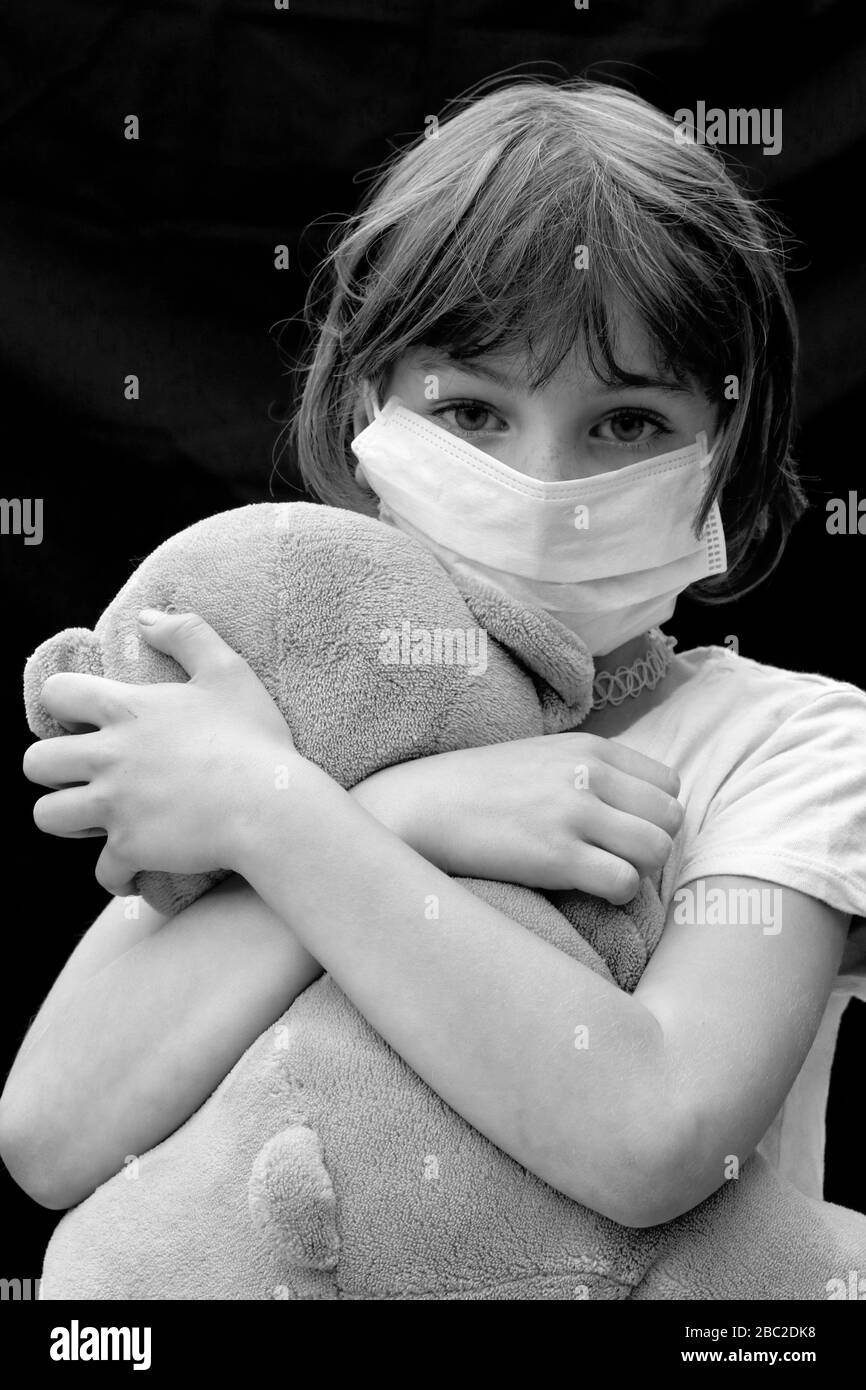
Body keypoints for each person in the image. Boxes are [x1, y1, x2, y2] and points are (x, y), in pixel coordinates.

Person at [4, 78, 866, 1240]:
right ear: (367, 421)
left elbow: (657, 1132)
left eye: (627, 424)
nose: (543, 488)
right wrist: (401, 809)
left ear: (731, 451)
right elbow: (54, 1132)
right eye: (470, 412)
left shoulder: (792, 745)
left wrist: (283, 817)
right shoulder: (302, 722)